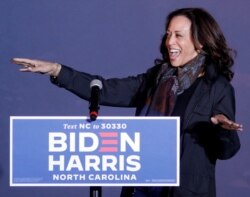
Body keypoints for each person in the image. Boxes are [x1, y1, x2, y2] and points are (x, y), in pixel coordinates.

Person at [12, 7, 242, 197]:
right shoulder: (156, 78)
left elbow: (227, 150)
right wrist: (57, 70)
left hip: (183, 192)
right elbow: (105, 89)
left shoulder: (217, 87)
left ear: (200, 42)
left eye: (178, 35)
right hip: (140, 189)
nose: (169, 40)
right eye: (167, 33)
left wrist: (222, 130)